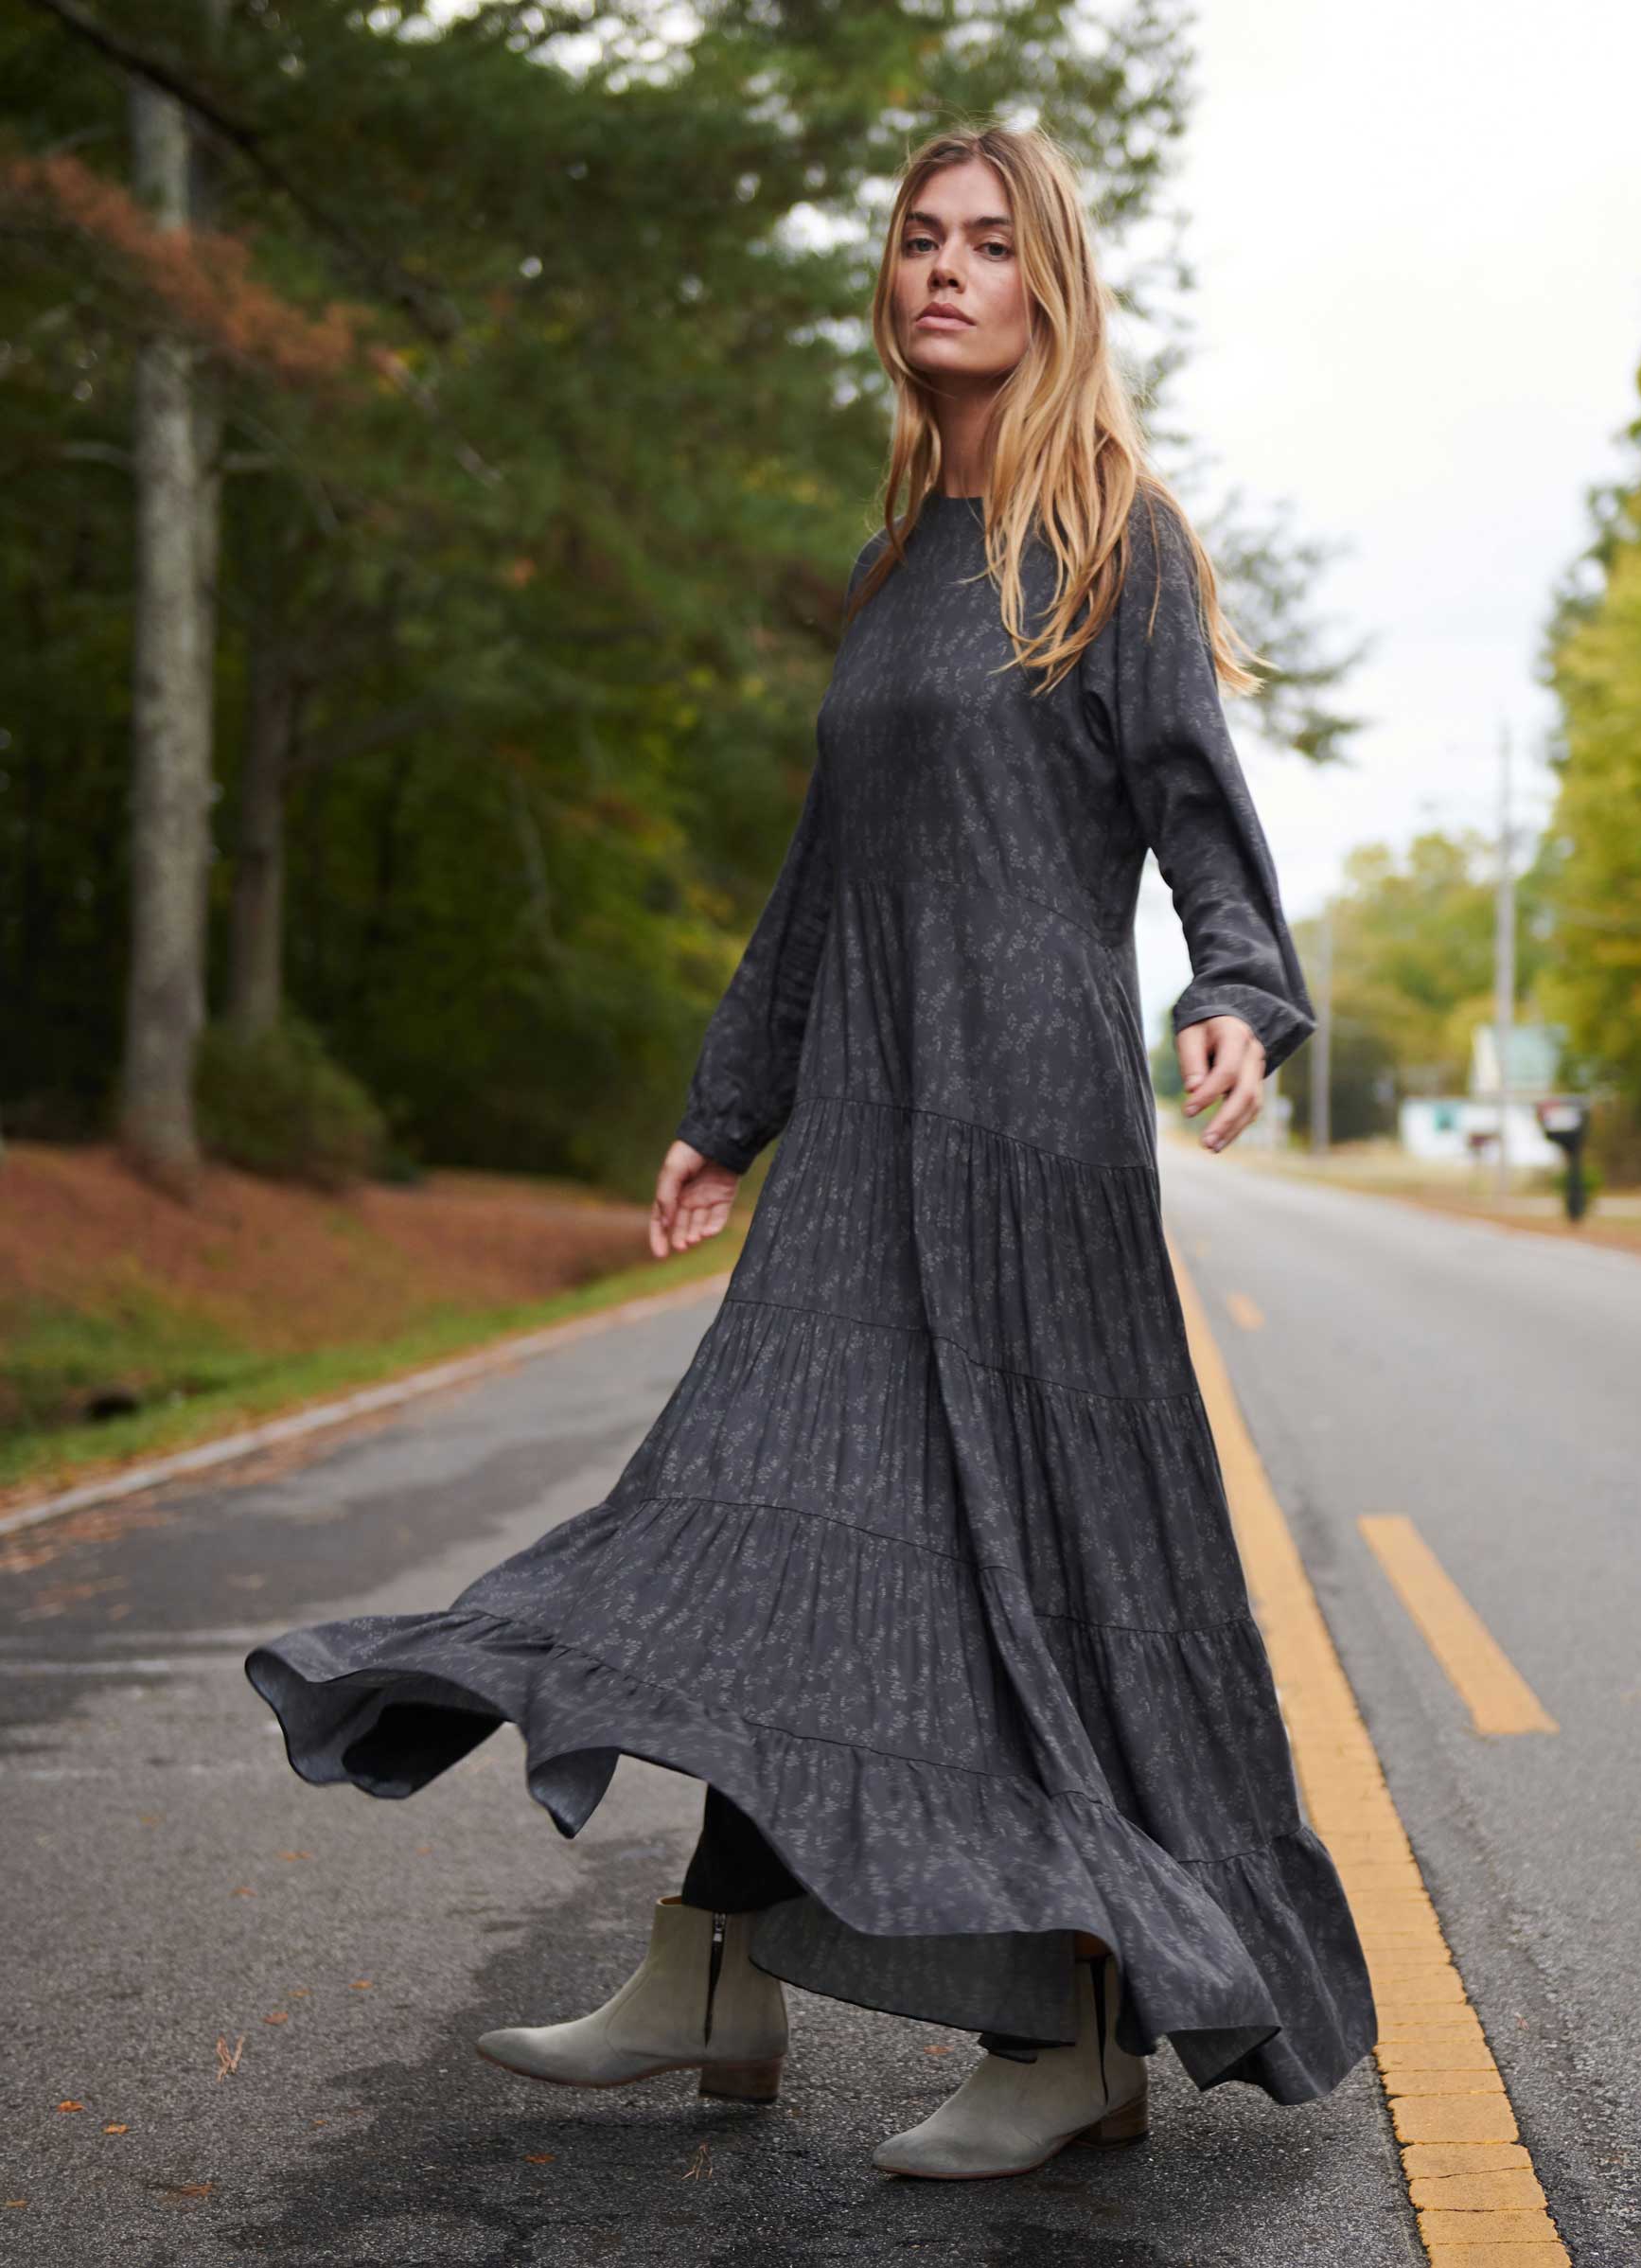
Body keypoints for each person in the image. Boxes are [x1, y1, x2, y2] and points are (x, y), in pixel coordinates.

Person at [244, 120, 1375, 2183]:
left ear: (1049, 290)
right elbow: (816, 882)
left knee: (1006, 1564)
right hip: (863, 1118)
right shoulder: (900, 568)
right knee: (782, 1519)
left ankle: (1063, 2031)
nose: (944, 271)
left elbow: (1200, 809)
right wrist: (724, 1101)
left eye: (987, 245)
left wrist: (1236, 985)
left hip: (1025, 1126)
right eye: (919, 242)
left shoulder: (1114, 534)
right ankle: (710, 1971)